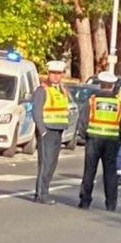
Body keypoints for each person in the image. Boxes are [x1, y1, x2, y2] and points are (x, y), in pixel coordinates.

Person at [78, 72, 121, 211]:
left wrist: (84, 135)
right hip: (111, 140)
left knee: (89, 171)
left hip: (93, 139)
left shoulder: (92, 101)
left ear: (100, 85)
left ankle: (85, 201)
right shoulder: (119, 103)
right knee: (110, 173)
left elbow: (83, 119)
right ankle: (111, 204)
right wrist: (118, 137)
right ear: (113, 86)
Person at [32, 61, 69, 204]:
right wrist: (42, 131)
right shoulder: (42, 90)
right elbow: (36, 111)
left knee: (52, 163)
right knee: (45, 163)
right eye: (53, 73)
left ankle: (43, 192)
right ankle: (41, 194)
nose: (55, 76)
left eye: (58, 73)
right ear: (48, 73)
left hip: (58, 130)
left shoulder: (62, 90)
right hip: (47, 130)